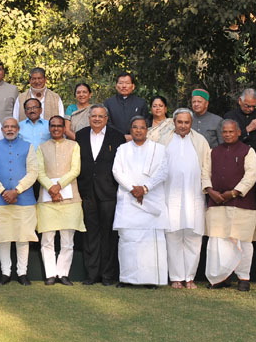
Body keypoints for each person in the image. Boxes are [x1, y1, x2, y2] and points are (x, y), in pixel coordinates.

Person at [112, 116, 169, 288]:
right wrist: (132, 189)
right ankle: (127, 279)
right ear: (130, 129)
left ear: (147, 130)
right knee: (128, 241)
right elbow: (117, 171)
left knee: (150, 243)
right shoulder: (122, 149)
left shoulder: (159, 149)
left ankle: (150, 280)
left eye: (142, 127)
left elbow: (163, 172)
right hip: (128, 200)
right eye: (135, 127)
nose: (138, 130)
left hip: (150, 200)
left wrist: (144, 189)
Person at [203, 119, 256, 291]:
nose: (227, 134)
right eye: (225, 132)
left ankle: (243, 278)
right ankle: (220, 277)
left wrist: (234, 192)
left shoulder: (248, 151)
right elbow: (205, 173)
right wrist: (211, 191)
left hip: (241, 202)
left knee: (243, 240)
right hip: (217, 202)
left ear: (239, 132)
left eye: (231, 131)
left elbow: (251, 176)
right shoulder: (213, 152)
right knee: (218, 241)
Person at [159, 108, 210, 289]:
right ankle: (176, 277)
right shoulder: (163, 139)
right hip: (169, 195)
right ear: (174, 122)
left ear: (191, 123)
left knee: (193, 237)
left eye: (186, 122)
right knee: (172, 236)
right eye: (179, 122)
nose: (183, 125)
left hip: (194, 196)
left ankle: (189, 277)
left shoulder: (200, 141)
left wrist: (207, 187)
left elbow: (206, 167)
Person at [75, 104, 123, 285]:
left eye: (100, 116)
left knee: (108, 235)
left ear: (106, 118)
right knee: (90, 235)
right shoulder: (80, 135)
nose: (96, 119)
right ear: (89, 117)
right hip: (87, 192)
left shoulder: (117, 136)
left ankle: (108, 275)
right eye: (93, 116)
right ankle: (92, 275)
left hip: (108, 192)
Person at [0, 117, 39, 286]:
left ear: (18, 129)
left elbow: (33, 172)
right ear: (2, 130)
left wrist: (17, 190)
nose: (9, 129)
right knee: (3, 236)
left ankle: (22, 273)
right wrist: (3, 191)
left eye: (13, 127)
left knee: (22, 236)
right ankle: (5, 273)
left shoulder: (28, 146)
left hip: (24, 199)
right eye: (6, 127)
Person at [37, 115, 86, 286]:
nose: (56, 129)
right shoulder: (41, 147)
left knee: (67, 239)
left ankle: (63, 273)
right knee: (47, 239)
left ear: (65, 128)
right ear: (49, 128)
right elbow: (39, 171)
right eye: (53, 126)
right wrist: (51, 188)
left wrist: (58, 186)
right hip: (47, 198)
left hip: (70, 198)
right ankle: (50, 274)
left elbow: (75, 170)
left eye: (59, 126)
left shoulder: (74, 146)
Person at [104, 72, 148, 141]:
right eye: (121, 83)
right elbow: (107, 123)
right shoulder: (108, 103)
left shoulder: (141, 103)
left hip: (135, 140)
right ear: (116, 86)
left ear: (133, 86)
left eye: (127, 83)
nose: (124, 86)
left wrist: (133, 135)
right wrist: (122, 136)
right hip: (114, 140)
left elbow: (145, 122)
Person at [224, 88, 256, 153]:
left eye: (253, 106)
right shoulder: (230, 117)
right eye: (247, 106)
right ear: (240, 101)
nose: (251, 109)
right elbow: (228, 140)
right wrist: (247, 130)